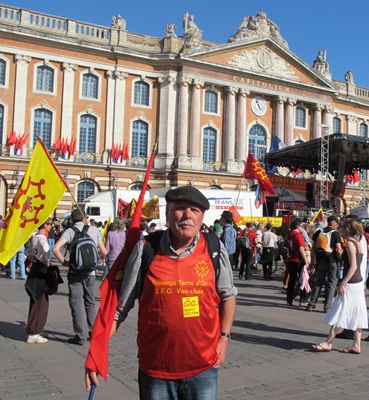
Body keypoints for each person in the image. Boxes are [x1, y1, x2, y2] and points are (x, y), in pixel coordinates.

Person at [85, 186, 237, 398]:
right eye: (180, 208)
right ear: (167, 213)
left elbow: (228, 295)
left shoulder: (213, 247)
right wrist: (96, 353)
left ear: (203, 217)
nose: (188, 216)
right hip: (156, 370)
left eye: (195, 210)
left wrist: (224, 338)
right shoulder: (147, 248)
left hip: (203, 367)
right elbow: (120, 309)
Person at [312, 218, 368, 353]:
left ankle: (328, 342)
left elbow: (353, 266)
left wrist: (343, 283)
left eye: (342, 226)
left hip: (351, 282)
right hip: (358, 282)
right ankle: (356, 344)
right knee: (356, 312)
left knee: (340, 311)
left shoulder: (350, 243)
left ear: (347, 229)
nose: (340, 228)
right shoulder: (358, 242)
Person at [52, 209, 108, 345]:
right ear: (84, 218)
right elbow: (104, 252)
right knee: (90, 302)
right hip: (91, 273)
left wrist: (65, 262)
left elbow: (55, 249)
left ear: (73, 219)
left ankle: (80, 336)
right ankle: (93, 332)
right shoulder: (94, 230)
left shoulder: (70, 231)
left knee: (76, 303)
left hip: (75, 272)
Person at [24, 218, 53, 344]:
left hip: (34, 268)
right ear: (45, 225)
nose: (51, 226)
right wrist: (46, 263)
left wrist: (33, 260)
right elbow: (47, 251)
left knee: (35, 299)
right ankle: (34, 332)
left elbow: (28, 252)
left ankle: (34, 329)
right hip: (41, 270)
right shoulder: (42, 238)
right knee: (41, 302)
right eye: (50, 224)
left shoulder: (34, 237)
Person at [306, 216, 342, 312]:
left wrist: (313, 261)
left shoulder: (319, 232)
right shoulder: (335, 234)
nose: (337, 225)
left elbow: (313, 248)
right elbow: (338, 248)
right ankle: (327, 307)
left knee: (318, 283)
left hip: (321, 261)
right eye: (337, 223)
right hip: (333, 261)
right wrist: (342, 258)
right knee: (331, 284)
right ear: (333, 223)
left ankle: (311, 304)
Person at [285, 219, 309, 306]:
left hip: (290, 259)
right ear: (297, 226)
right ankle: (303, 299)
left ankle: (289, 299)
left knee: (292, 280)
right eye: (302, 226)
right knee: (303, 279)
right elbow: (301, 249)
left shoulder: (289, 234)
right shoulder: (298, 235)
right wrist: (306, 261)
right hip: (298, 260)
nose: (303, 228)